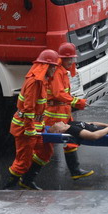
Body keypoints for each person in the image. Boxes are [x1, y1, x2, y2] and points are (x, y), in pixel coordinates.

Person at [35, 42, 92, 181]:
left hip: (63, 112)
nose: (71, 61)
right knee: (45, 149)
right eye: (68, 59)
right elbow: (58, 94)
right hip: (55, 114)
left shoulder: (62, 72)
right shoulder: (57, 72)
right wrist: (77, 102)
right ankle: (26, 176)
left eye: (72, 58)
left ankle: (75, 171)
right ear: (62, 58)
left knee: (71, 138)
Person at [4, 49, 59, 191]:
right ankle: (7, 189)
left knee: (45, 151)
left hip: (36, 126)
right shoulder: (35, 82)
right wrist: (29, 129)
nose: (54, 69)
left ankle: (27, 181)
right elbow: (29, 108)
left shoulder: (43, 81)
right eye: (53, 66)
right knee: (23, 161)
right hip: (25, 128)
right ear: (45, 66)